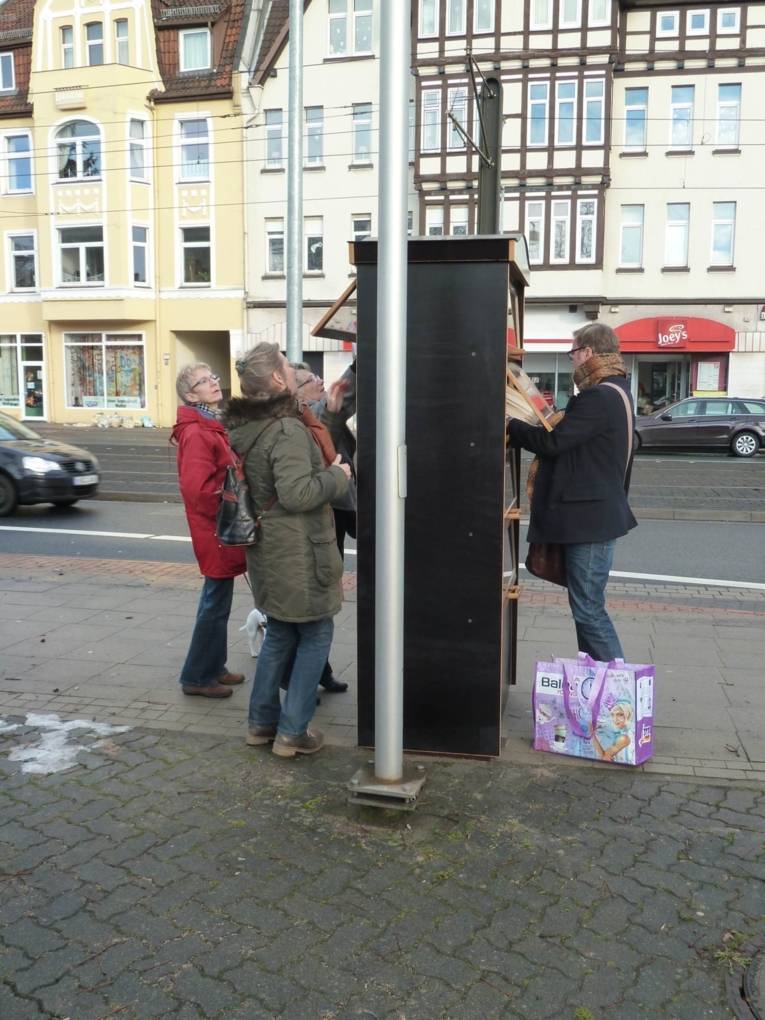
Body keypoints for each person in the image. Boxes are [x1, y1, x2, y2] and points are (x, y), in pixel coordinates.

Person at [224, 342, 351, 758]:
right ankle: (292, 732)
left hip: (271, 550)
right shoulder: (285, 429)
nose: (297, 371)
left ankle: (261, 723)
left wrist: (331, 416)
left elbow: (292, 468)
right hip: (299, 550)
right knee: (316, 633)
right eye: (288, 366)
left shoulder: (253, 425)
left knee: (279, 632)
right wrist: (338, 477)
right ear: (279, 379)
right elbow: (297, 493)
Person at [507, 322, 637, 662]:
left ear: (588, 352)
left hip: (590, 522)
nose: (572, 360)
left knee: (589, 609)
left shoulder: (599, 397)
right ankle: (596, 677)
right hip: (595, 516)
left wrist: (511, 425)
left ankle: (618, 686)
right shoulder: (618, 389)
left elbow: (554, 443)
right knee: (586, 607)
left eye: (573, 352)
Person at [171, 364, 247, 698]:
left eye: (213, 376)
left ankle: (214, 667)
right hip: (215, 530)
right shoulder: (198, 432)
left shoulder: (211, 424)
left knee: (218, 601)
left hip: (218, 528)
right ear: (191, 395)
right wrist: (229, 507)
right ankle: (197, 677)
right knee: (214, 604)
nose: (214, 382)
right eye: (204, 381)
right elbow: (197, 490)